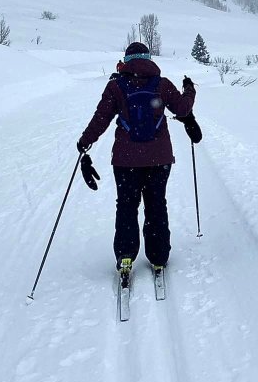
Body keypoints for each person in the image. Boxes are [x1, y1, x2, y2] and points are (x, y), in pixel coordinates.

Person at [77, 42, 196, 278]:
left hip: (126, 160)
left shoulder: (116, 86)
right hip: (159, 159)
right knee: (156, 205)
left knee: (127, 206)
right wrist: (190, 89)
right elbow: (182, 109)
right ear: (149, 59)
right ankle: (159, 258)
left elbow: (100, 119)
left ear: (126, 61)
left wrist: (84, 142)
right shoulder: (161, 84)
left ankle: (125, 256)